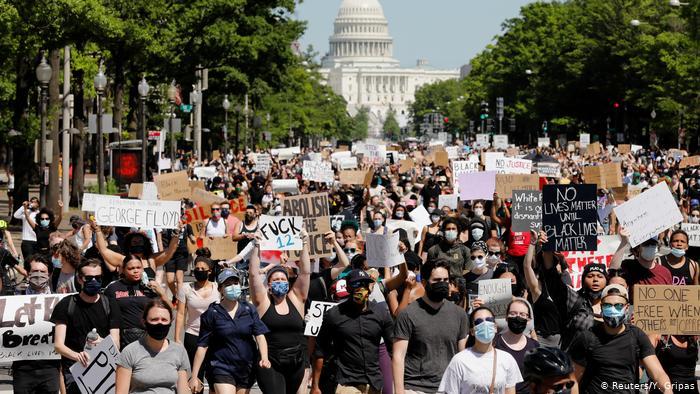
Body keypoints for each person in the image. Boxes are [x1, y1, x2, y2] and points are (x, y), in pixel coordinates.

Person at [568, 284, 672, 394]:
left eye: (618, 306)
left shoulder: (636, 335)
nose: (613, 310)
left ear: (626, 308)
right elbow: (574, 380)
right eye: (608, 306)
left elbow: (658, 373)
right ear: (601, 307)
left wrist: (667, 390)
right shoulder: (587, 337)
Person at [312, 269, 395, 394]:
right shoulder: (334, 315)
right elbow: (320, 350)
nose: (360, 288)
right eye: (356, 284)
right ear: (348, 288)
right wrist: (315, 386)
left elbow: (393, 349)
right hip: (347, 383)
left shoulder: (381, 313)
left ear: (369, 287)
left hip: (374, 383)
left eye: (364, 284)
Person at [392, 258, 469, 394]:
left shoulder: (459, 314)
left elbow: (462, 355)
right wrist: (399, 391)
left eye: (445, 280)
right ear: (424, 282)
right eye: (437, 280)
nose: (443, 284)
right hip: (415, 387)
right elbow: (398, 356)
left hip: (448, 387)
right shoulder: (408, 314)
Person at [189, 268, 271, 394]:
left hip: (246, 367)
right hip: (221, 367)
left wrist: (264, 357)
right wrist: (194, 376)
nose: (233, 287)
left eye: (235, 283)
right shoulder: (211, 313)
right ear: (220, 289)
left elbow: (259, 335)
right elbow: (202, 346)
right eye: (228, 285)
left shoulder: (249, 310)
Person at [250, 230, 311, 394]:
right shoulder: (263, 302)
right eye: (275, 280)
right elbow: (254, 275)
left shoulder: (296, 299)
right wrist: (257, 247)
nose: (280, 282)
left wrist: (304, 244)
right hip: (270, 362)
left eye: (283, 279)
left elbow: (305, 273)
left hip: (296, 362)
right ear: (268, 285)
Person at [50, 259, 122, 394]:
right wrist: (77, 356)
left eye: (98, 277)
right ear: (79, 279)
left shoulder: (110, 304)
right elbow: (58, 345)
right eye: (89, 278)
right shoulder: (66, 304)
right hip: (76, 371)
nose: (94, 281)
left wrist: (102, 342)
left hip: (104, 371)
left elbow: (115, 342)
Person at [438, 306, 523, 394]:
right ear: (472, 331)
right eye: (479, 322)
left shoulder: (507, 359)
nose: (485, 324)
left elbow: (510, 391)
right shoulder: (459, 361)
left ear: (495, 327)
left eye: (489, 320)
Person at [116, 300, 191, 394]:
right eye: (154, 319)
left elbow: (183, 391)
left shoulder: (179, 351)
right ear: (144, 322)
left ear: (170, 322)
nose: (159, 323)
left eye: (164, 320)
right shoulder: (130, 352)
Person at [12, 254, 61, 394]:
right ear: (27, 273)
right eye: (34, 271)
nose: (38, 275)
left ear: (50, 274)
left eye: (43, 272)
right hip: (23, 368)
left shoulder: (59, 300)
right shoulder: (15, 299)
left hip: (50, 367)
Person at [104, 255, 171, 348]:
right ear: (123, 270)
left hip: (147, 337)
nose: (136, 271)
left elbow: (170, 313)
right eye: (131, 268)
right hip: (123, 339)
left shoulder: (150, 287)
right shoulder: (113, 288)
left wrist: (162, 293)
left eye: (139, 267)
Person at [175, 256, 219, 391]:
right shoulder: (186, 289)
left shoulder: (218, 288)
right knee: (196, 376)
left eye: (203, 269)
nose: (199, 271)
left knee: (215, 375)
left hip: (215, 336)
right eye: (197, 268)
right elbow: (181, 313)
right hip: (193, 335)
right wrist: (177, 337)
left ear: (210, 271)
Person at [609, 229, 672, 302]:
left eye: (653, 244)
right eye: (646, 244)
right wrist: (624, 241)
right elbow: (613, 270)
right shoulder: (628, 266)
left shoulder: (665, 272)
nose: (650, 247)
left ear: (657, 248)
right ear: (638, 248)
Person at [494, 299, 540, 394]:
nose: (518, 317)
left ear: (528, 320)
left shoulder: (534, 346)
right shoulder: (494, 343)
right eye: (513, 313)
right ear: (506, 317)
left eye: (522, 315)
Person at [161, 222, 196, 304]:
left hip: (182, 254)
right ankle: (175, 295)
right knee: (170, 280)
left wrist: (193, 239)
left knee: (179, 278)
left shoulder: (187, 225)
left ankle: (180, 301)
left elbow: (192, 238)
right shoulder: (168, 225)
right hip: (170, 254)